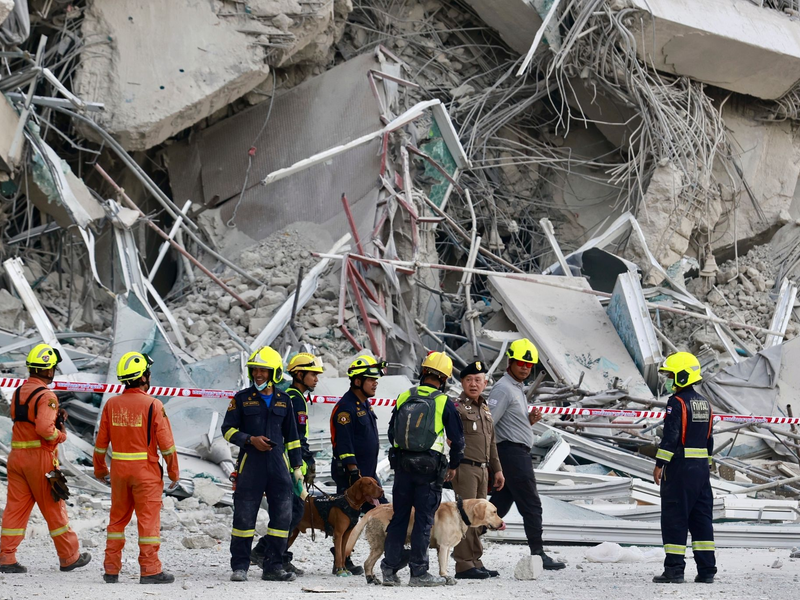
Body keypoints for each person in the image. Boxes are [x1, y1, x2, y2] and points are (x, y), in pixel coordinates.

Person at [0, 344, 91, 574]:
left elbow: (24, 420)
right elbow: (43, 428)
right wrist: (59, 434)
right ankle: (69, 557)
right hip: (39, 460)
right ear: (48, 369)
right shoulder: (47, 396)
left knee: (15, 510)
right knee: (54, 507)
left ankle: (5, 557)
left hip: (16, 457)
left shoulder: (19, 391)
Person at [93, 351, 180, 584]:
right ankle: (150, 570)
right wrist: (173, 471)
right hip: (146, 472)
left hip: (120, 471)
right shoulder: (153, 404)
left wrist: (100, 470)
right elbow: (167, 445)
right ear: (143, 377)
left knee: (117, 521)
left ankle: (111, 569)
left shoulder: (112, 404)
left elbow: (101, 444)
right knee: (148, 521)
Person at [381, 351, 465, 587]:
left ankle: (389, 569)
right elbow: (458, 441)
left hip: (403, 467)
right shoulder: (443, 402)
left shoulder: (403, 396)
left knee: (399, 518)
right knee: (424, 521)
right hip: (429, 469)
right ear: (445, 379)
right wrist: (454, 465)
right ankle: (419, 573)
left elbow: (391, 433)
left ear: (423, 373)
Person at [222, 346, 302, 583]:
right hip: (251, 465)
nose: (258, 374)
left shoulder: (284, 401)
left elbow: (293, 438)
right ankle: (240, 566)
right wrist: (249, 440)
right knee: (244, 519)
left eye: (263, 371)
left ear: (275, 373)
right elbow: (227, 430)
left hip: (279, 467)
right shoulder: (241, 399)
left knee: (283, 518)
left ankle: (273, 566)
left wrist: (297, 469)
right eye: (255, 370)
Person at [487, 338, 565, 570]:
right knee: (531, 504)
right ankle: (538, 553)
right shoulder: (503, 389)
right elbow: (489, 423)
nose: (525, 367)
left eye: (529, 365)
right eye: (521, 363)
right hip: (511, 454)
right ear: (510, 361)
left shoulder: (516, 388)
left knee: (497, 507)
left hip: (514, 452)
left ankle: (465, 545)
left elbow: (505, 423)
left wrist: (526, 422)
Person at [251, 351, 323, 575]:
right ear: (300, 374)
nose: (317, 379)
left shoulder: (294, 397)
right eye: (313, 374)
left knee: (292, 510)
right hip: (289, 463)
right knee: (292, 510)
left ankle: (275, 554)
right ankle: (269, 553)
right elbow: (294, 436)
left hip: (292, 461)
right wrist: (302, 463)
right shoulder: (293, 398)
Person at [652, 352, 716, 584]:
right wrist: (706, 466)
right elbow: (709, 439)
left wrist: (660, 464)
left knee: (675, 518)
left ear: (681, 376)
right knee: (701, 520)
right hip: (701, 471)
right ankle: (707, 570)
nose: (668, 379)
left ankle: (674, 570)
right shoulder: (705, 404)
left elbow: (671, 438)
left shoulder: (676, 403)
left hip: (680, 470)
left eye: (670, 375)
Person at [329, 355, 388, 575]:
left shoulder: (364, 404)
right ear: (356, 381)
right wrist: (353, 473)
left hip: (367, 475)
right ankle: (341, 561)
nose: (375, 383)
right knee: (348, 519)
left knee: (379, 512)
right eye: (370, 379)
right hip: (354, 478)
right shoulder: (346, 409)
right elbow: (344, 445)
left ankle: (347, 557)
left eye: (376, 380)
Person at [451, 361, 505, 580]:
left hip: (483, 471)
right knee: (465, 516)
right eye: (468, 380)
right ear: (462, 382)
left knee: (480, 518)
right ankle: (463, 564)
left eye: (478, 380)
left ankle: (475, 560)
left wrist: (497, 470)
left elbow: (491, 442)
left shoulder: (484, 408)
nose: (473, 384)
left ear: (485, 383)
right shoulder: (457, 407)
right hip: (465, 468)